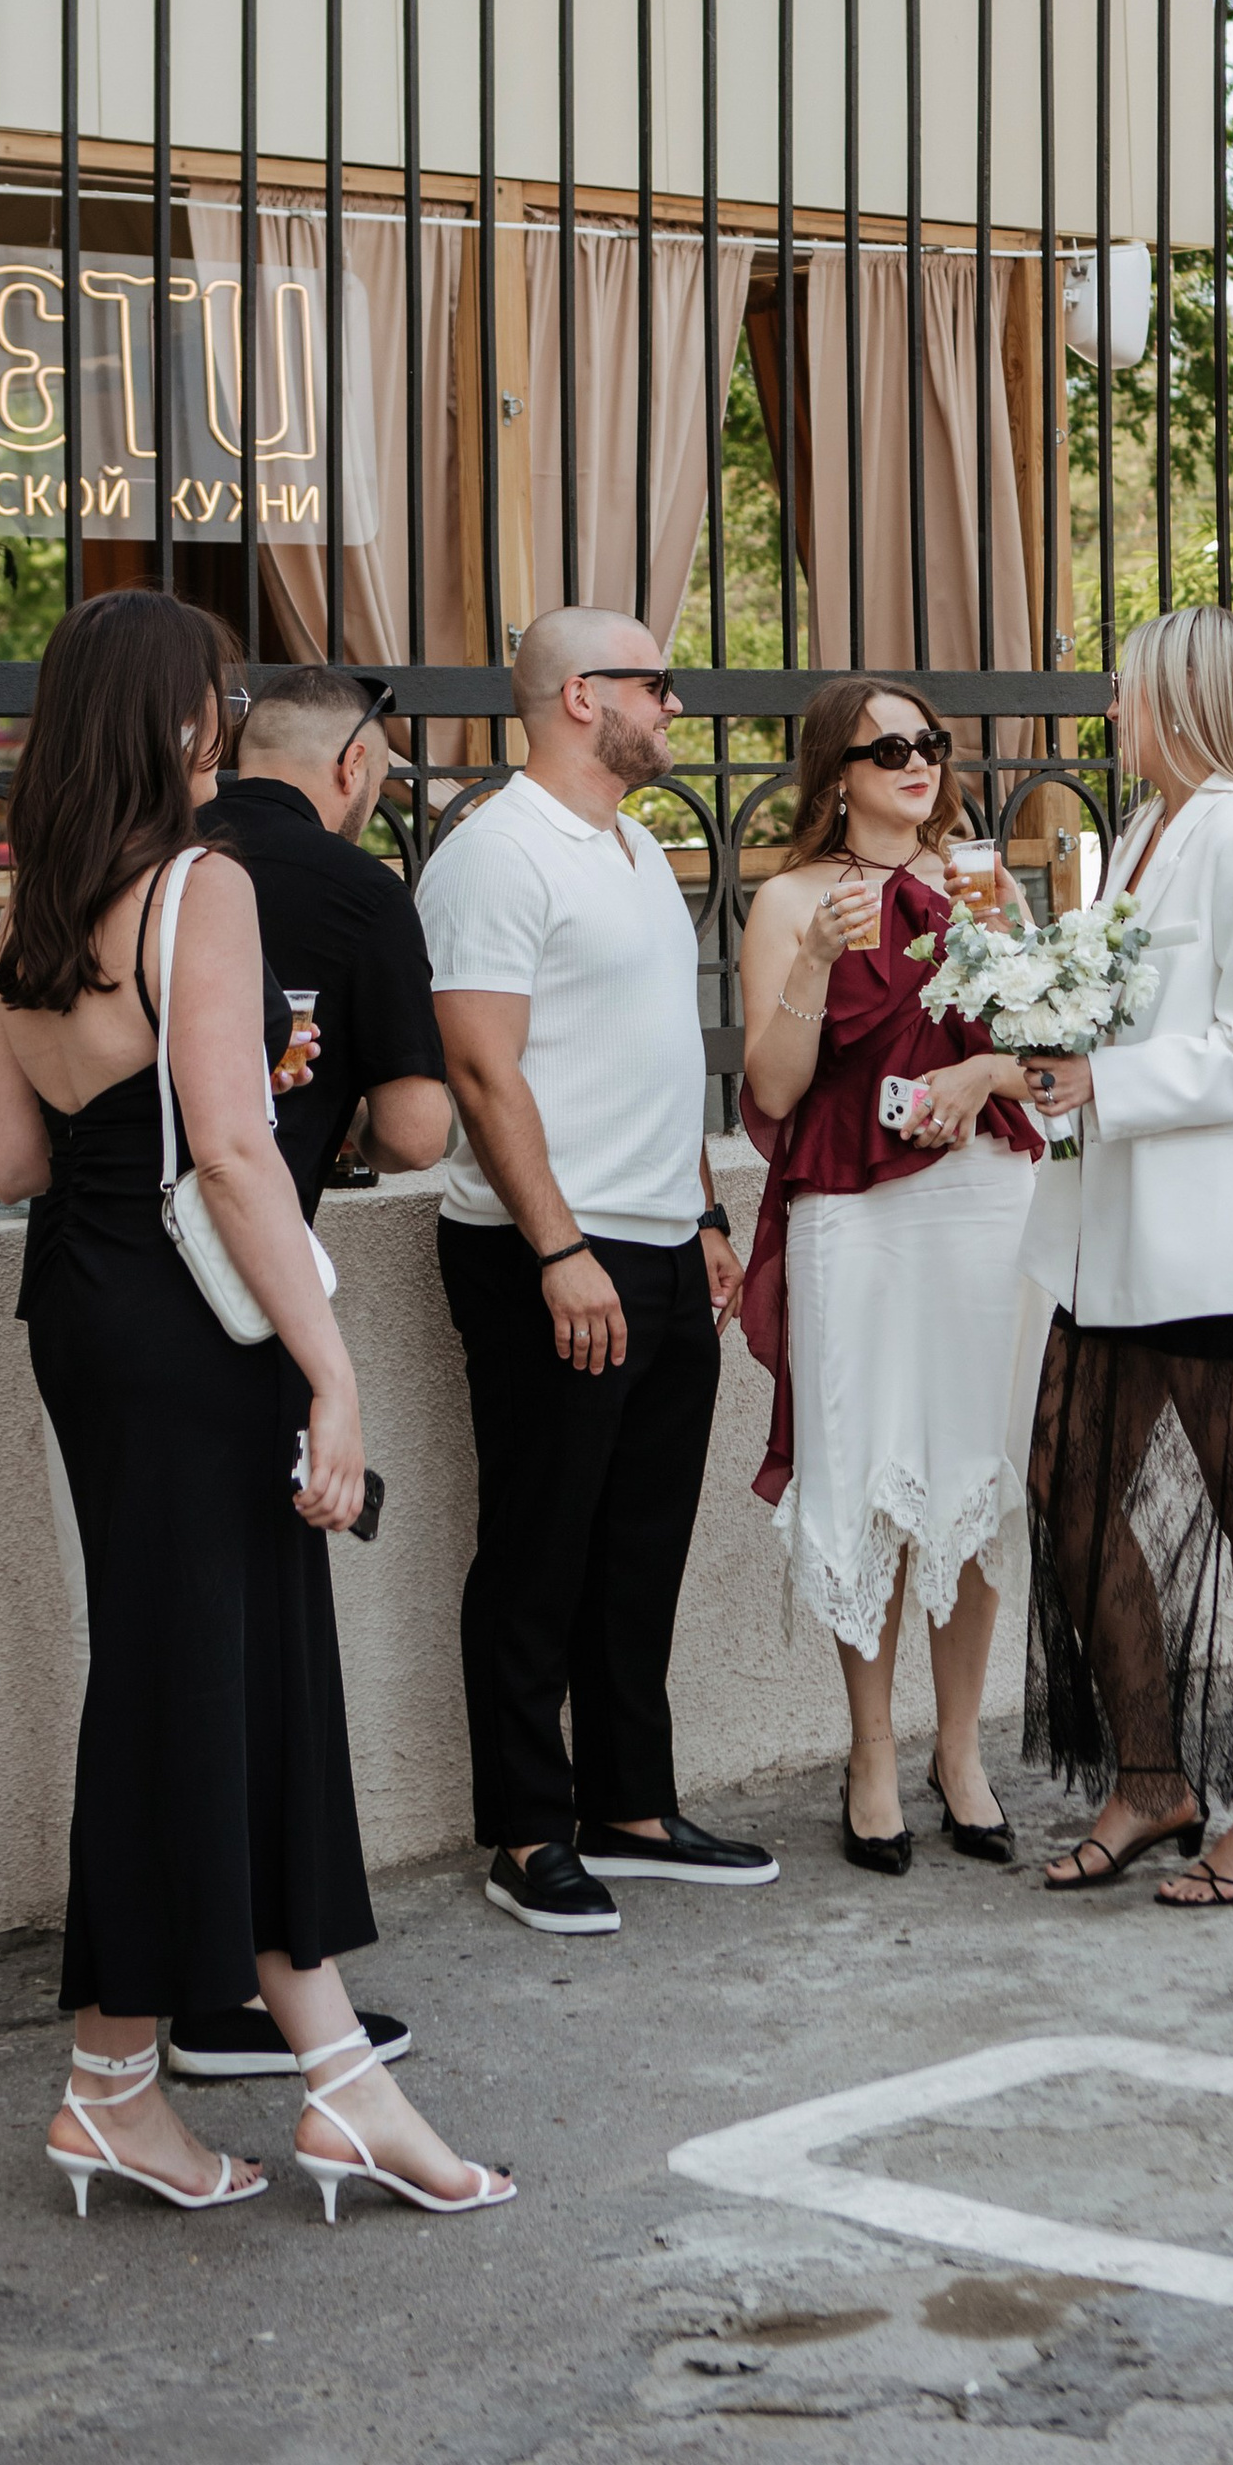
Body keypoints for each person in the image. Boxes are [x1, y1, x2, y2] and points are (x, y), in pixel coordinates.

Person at [0, 589, 510, 2221]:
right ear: (185, 721)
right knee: (213, 1678)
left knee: (194, 1675)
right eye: (213, 695)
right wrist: (336, 1372)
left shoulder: (33, 905)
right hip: (196, 1323)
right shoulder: (199, 888)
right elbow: (232, 1149)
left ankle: (173, 2087)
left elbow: (11, 1163)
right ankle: (188, 2091)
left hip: (82, 1303)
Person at [418, 607, 773, 1937]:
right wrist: (560, 1248)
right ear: (580, 696)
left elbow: (653, 1053)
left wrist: (705, 1215)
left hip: (664, 1241)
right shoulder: (498, 854)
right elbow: (479, 1069)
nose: (675, 708)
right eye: (657, 686)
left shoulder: (632, 849)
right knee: (538, 1541)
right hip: (547, 1251)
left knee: (639, 1539)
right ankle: (524, 1827)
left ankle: (631, 1803)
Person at [1019, 605, 1233, 1909]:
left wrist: (1099, 1074)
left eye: (1125, 691)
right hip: (1121, 1240)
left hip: (1225, 1244)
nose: (1111, 712)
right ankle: (1152, 1777)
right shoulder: (1153, 834)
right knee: (1068, 1483)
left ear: (1184, 699)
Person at [159, 661, 454, 2094]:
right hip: (246, 1297)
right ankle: (245, 1997)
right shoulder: (351, 890)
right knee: (256, 1656)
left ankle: (187, 2003)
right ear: (350, 768)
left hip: (107, 1293)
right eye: (383, 775)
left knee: (170, 1650)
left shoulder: (151, 868)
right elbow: (411, 1130)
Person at [737, 680, 1041, 1870]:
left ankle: (958, 1748)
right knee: (865, 1472)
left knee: (973, 1471)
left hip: (980, 1200)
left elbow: (1049, 1051)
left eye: (929, 744)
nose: (916, 763)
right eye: (887, 749)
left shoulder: (978, 879)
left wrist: (1002, 995)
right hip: (853, 1217)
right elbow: (770, 1087)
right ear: (838, 777)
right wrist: (815, 959)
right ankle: (871, 1753)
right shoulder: (793, 900)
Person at [197, 665, 452, 1222]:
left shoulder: (144, 852)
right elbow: (415, 1137)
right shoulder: (366, 892)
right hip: (247, 1256)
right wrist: (358, 1126)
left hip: (85, 1249)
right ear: (353, 764)